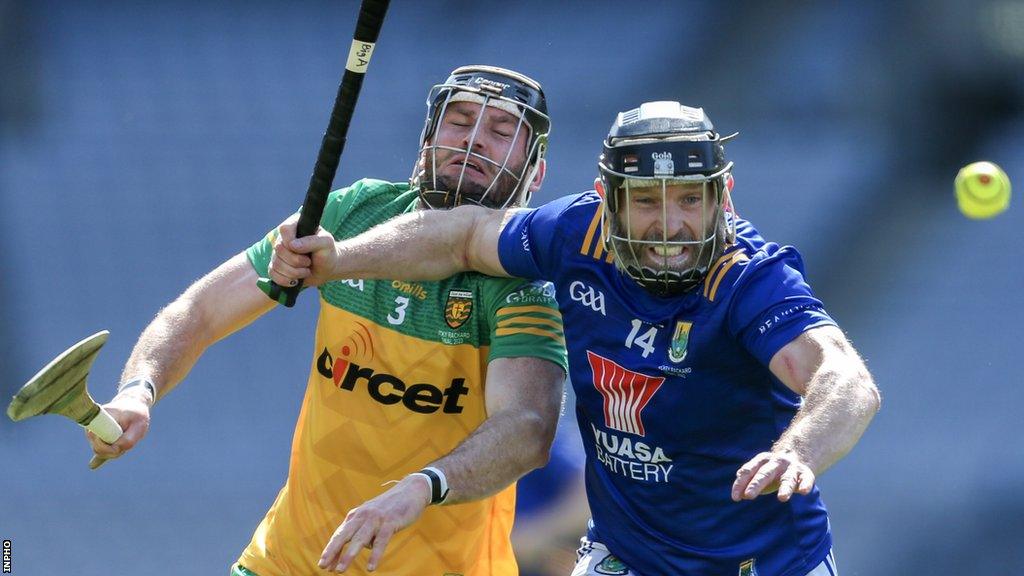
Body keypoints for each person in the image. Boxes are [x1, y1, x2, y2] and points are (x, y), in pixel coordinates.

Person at [269, 101, 882, 576]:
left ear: (724, 197)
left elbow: (844, 378)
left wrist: (797, 453)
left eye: (690, 199)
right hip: (626, 558)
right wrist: (339, 259)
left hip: (766, 563)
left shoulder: (751, 279)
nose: (670, 224)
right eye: (645, 201)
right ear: (605, 201)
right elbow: (462, 234)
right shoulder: (573, 234)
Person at [85, 65, 568, 576]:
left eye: (501, 131)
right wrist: (139, 388)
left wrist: (422, 487)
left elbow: (528, 428)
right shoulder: (354, 213)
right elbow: (199, 310)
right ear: (427, 138)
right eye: (460, 121)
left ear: (535, 172)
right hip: (285, 562)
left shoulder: (526, 279)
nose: (472, 142)